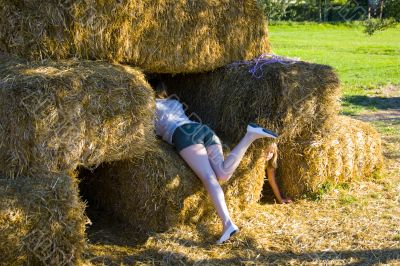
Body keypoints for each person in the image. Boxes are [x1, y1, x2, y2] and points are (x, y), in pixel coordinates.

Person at [152, 80, 279, 244]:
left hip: (183, 134)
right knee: (223, 173)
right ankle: (250, 135)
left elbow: (149, 136)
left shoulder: (151, 109)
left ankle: (227, 224)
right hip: (202, 129)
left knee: (209, 178)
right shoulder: (174, 102)